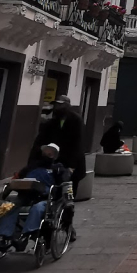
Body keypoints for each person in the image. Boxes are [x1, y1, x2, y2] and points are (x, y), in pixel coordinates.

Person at [0, 142, 72, 252]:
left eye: (51, 152)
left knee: (37, 208)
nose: (48, 154)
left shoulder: (58, 169)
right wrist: (5, 193)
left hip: (45, 198)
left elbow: (62, 185)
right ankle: (2, 237)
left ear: (55, 155)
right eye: (46, 152)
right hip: (26, 196)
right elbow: (16, 179)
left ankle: (25, 237)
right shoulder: (31, 167)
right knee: (9, 207)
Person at [30, 95, 85, 239]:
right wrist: (33, 162)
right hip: (53, 164)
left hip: (71, 166)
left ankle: (68, 227)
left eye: (60, 105)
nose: (57, 108)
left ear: (67, 106)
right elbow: (39, 141)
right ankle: (46, 226)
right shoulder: (50, 122)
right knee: (48, 195)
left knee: (68, 199)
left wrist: (72, 167)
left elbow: (77, 145)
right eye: (56, 105)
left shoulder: (75, 120)